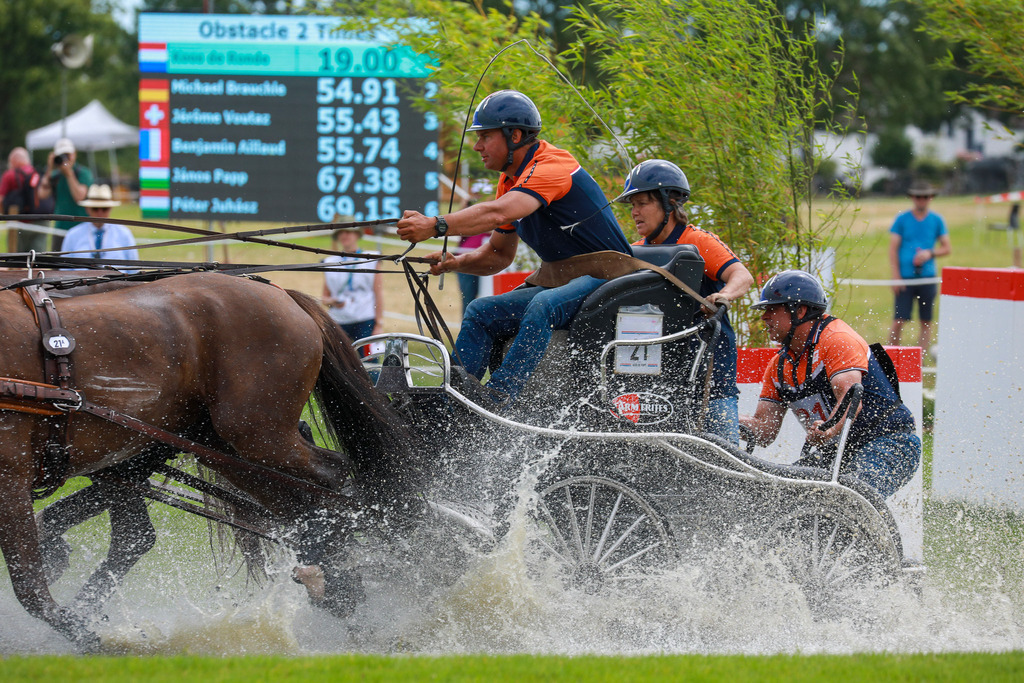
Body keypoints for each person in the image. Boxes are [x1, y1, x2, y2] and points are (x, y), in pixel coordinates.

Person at [395, 89, 632, 406]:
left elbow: (499, 212)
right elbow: (498, 255)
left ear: (515, 135)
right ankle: (447, 403)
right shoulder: (510, 180)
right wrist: (455, 262)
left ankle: (498, 399)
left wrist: (435, 225)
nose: (477, 146)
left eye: (485, 136)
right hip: (570, 283)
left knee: (542, 305)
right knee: (481, 311)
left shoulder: (553, 165)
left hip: (609, 280)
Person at [739, 270, 920, 499]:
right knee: (778, 498)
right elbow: (765, 430)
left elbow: (850, 400)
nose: (764, 316)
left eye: (772, 309)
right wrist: (720, 422)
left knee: (849, 497)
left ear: (800, 311)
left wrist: (828, 429)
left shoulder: (837, 339)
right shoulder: (778, 366)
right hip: (839, 451)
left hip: (890, 441)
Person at [616, 159, 754, 444]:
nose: (634, 212)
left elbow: (742, 276)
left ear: (670, 203)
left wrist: (723, 295)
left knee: (724, 457)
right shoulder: (635, 252)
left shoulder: (697, 240)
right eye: (632, 205)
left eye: (641, 203)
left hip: (710, 373)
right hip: (658, 377)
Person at [888, 180, 952, 349]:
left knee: (926, 321)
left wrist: (929, 253)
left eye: (925, 197)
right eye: (918, 197)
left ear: (930, 197)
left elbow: (947, 248)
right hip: (905, 278)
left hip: (927, 277)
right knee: (899, 320)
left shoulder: (937, 220)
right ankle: (889, 361)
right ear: (912, 197)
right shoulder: (902, 219)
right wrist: (896, 276)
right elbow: (893, 249)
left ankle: (920, 363)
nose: (921, 200)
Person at [322, 225, 384, 342]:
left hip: (365, 318)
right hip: (338, 320)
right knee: (337, 359)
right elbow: (325, 297)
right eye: (341, 232)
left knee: (367, 359)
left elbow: (378, 293)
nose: (344, 235)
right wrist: (332, 302)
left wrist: (379, 324)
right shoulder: (329, 262)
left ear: (357, 235)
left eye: (348, 232)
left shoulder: (371, 259)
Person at [61, 184, 139, 272]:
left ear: (110, 209)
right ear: (87, 209)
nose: (100, 213)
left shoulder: (124, 234)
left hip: (116, 284)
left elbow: (133, 271)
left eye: (104, 209)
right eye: (95, 209)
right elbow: (64, 270)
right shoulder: (73, 235)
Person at [36, 137, 92, 249]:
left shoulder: (83, 173)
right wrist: (50, 169)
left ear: (74, 154)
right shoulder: (55, 175)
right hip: (60, 228)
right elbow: (42, 194)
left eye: (68, 154)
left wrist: (69, 174)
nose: (65, 159)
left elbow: (79, 197)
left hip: (81, 227)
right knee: (57, 264)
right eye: (62, 155)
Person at [1, 147, 50, 253]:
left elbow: (1, 199)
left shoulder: (9, 175)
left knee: (16, 260)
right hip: (40, 222)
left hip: (18, 223)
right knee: (38, 259)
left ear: (13, 160)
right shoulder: (36, 173)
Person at [455, 179, 494, 313]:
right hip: (465, 258)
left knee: (488, 297)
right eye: (477, 194)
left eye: (482, 195)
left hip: (487, 260)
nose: (480, 198)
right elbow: (458, 227)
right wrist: (466, 206)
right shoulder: (468, 213)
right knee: (468, 298)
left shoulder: (498, 214)